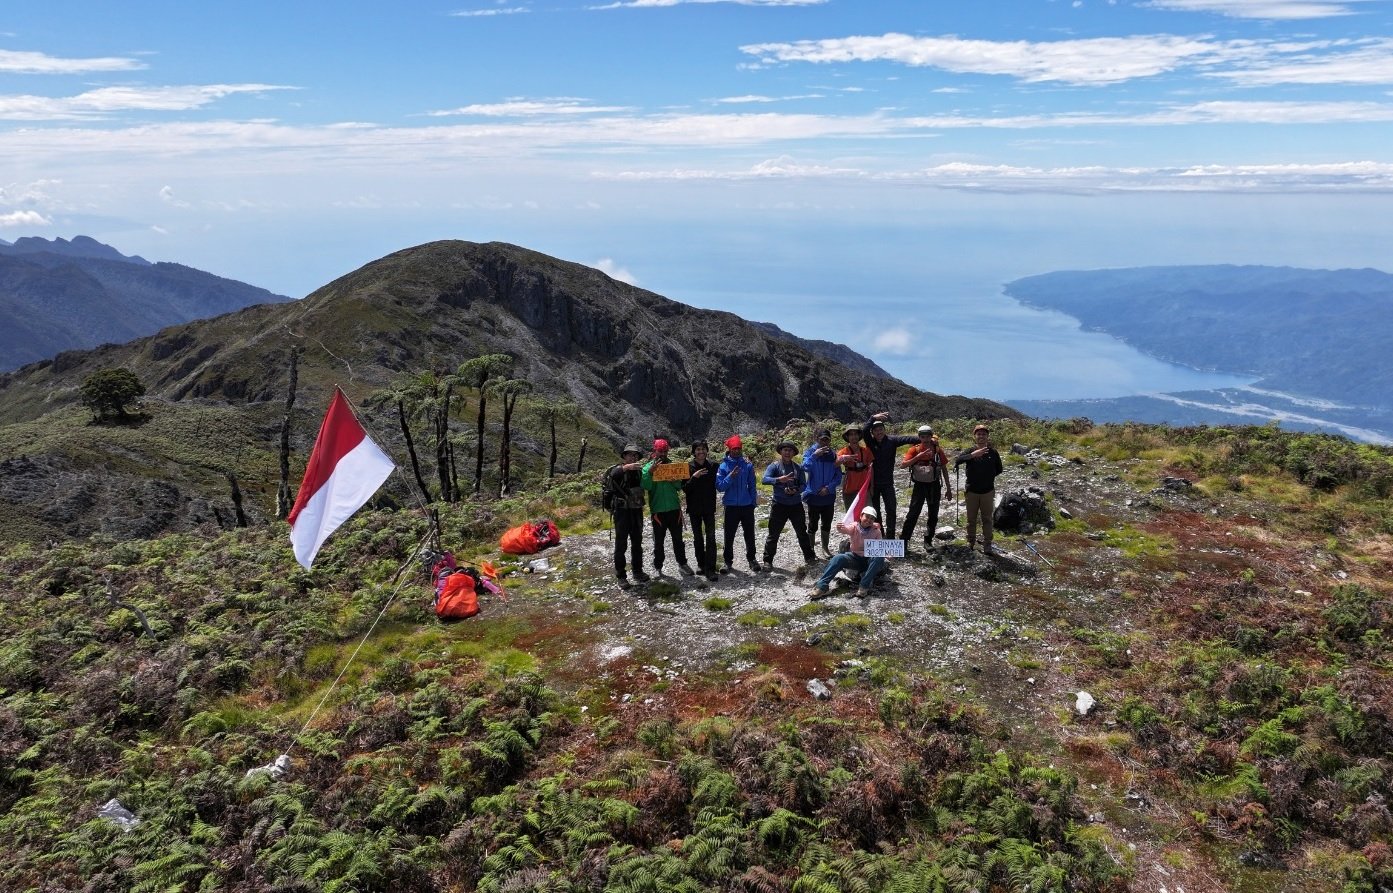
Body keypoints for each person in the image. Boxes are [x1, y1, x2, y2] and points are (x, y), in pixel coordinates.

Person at [761, 440, 819, 572]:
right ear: (781, 452)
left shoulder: (797, 468)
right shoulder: (774, 466)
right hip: (779, 505)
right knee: (773, 534)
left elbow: (804, 485)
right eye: (785, 450)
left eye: (790, 450)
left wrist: (796, 491)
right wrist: (778, 480)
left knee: (801, 533)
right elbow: (764, 479)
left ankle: (809, 557)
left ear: (793, 453)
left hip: (795, 505)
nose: (787, 452)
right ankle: (767, 561)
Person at [808, 505, 885, 600]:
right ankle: (821, 586)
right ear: (861, 516)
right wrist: (840, 528)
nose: (869, 520)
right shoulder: (854, 526)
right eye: (867, 517)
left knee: (879, 557)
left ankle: (863, 587)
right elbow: (846, 529)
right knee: (838, 558)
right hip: (855, 558)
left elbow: (880, 547)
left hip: (869, 561)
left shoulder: (876, 531)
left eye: (872, 518)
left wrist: (888, 553)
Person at [861, 411, 919, 538]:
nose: (879, 432)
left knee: (891, 510)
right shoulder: (870, 442)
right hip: (873, 484)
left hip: (888, 483)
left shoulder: (892, 441)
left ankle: (890, 537)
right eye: (876, 430)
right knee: (875, 512)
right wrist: (872, 418)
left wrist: (924, 439)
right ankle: (879, 536)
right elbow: (864, 431)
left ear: (884, 430)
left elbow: (907, 438)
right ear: (873, 433)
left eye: (881, 429)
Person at [642, 438, 694, 577]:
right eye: (660, 451)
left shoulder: (672, 466)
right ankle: (658, 566)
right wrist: (650, 473)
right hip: (658, 511)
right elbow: (646, 486)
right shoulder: (647, 468)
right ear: (655, 451)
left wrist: (674, 481)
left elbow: (678, 487)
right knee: (658, 542)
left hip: (674, 509)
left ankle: (682, 563)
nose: (663, 454)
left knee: (678, 539)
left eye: (665, 451)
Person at [899, 424, 952, 551]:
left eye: (927, 436)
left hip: (934, 485)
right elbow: (903, 465)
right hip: (919, 485)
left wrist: (948, 489)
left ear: (931, 436)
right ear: (919, 437)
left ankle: (928, 540)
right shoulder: (914, 449)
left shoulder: (937, 450)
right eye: (923, 436)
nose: (925, 439)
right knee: (913, 513)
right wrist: (918, 457)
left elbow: (944, 468)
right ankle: (904, 541)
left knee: (933, 514)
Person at [715, 435, 762, 572]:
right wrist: (731, 476)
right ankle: (727, 562)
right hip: (730, 506)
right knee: (729, 535)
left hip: (746, 506)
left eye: (738, 448)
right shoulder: (723, 466)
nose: (736, 451)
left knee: (749, 534)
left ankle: (752, 559)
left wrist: (753, 502)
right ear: (729, 449)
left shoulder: (747, 464)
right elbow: (720, 487)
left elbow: (752, 485)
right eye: (734, 448)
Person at [955, 424, 1004, 553]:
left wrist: (987, 476)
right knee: (971, 519)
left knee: (987, 519)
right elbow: (957, 461)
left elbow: (999, 469)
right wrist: (973, 455)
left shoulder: (993, 452)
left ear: (987, 437)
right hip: (971, 491)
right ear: (975, 436)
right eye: (979, 434)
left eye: (984, 434)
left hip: (988, 491)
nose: (981, 436)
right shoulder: (969, 451)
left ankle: (987, 544)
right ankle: (970, 542)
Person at [606, 444, 649, 587]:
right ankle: (621, 576)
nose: (633, 457)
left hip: (636, 510)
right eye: (630, 454)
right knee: (621, 544)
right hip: (622, 512)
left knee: (637, 543)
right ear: (624, 457)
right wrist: (627, 467)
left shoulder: (639, 472)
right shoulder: (617, 470)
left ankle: (637, 571)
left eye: (635, 455)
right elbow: (613, 475)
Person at [683, 440, 720, 581]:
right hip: (694, 508)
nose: (701, 452)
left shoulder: (713, 466)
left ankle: (711, 569)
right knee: (698, 537)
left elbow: (723, 477)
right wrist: (694, 478)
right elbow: (685, 488)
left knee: (711, 537)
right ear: (693, 452)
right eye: (698, 449)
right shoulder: (687, 467)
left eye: (703, 449)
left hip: (709, 507)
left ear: (707, 451)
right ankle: (700, 564)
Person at [802, 427, 842, 555]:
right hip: (814, 495)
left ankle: (825, 548)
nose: (824, 442)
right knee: (813, 524)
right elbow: (804, 467)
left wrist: (828, 488)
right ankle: (811, 549)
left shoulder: (833, 455)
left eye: (827, 440)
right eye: (822, 439)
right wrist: (814, 456)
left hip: (828, 495)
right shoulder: (810, 452)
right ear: (817, 439)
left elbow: (838, 475)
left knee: (827, 523)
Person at [836, 425, 874, 508]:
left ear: (859, 436)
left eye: (856, 434)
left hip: (864, 489)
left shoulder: (866, 451)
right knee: (851, 517)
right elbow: (835, 464)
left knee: (867, 513)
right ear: (847, 437)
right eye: (851, 434)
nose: (854, 436)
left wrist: (872, 487)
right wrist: (843, 458)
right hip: (849, 489)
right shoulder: (843, 451)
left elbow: (871, 469)